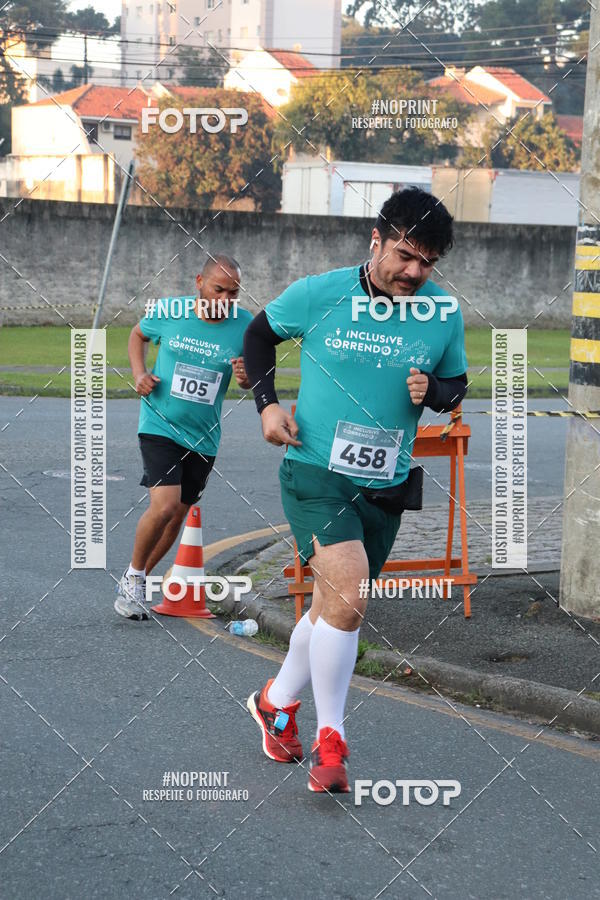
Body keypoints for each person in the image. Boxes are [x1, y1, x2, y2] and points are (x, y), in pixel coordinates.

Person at [243, 188, 468, 792]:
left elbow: (456, 386)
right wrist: (266, 406)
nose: (415, 273)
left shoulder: (443, 311)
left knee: (332, 608)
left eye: (428, 263)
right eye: (405, 255)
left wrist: (436, 394)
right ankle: (331, 742)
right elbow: (259, 335)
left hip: (387, 484)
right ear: (377, 239)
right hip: (316, 471)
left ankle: (275, 702)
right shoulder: (321, 293)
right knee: (351, 599)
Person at [114, 254, 252, 620]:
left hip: (204, 436)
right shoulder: (170, 311)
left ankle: (137, 575)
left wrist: (246, 378)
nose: (224, 299)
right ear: (199, 282)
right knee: (163, 506)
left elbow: (252, 376)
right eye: (218, 289)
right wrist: (139, 373)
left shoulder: (244, 325)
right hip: (159, 423)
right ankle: (133, 578)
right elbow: (138, 335)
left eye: (233, 292)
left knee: (177, 515)